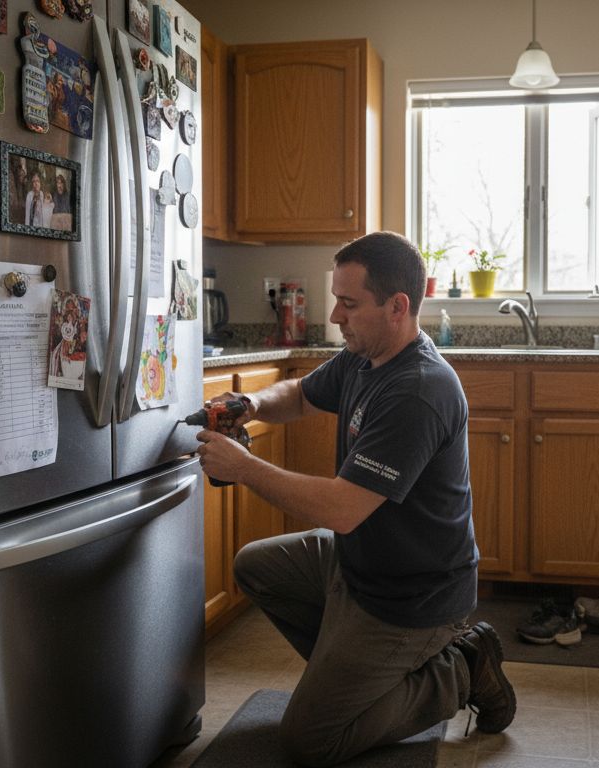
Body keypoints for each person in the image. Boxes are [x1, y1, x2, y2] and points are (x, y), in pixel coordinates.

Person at [195, 231, 515, 767]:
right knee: (255, 567)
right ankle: (355, 675)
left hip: (413, 594)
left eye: (349, 303)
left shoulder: (417, 388)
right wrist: (250, 402)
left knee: (310, 741)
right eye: (336, 299)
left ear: (398, 307)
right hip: (358, 563)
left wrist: (244, 468)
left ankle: (459, 668)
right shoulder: (364, 357)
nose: (337, 316)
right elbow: (297, 395)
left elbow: (343, 508)